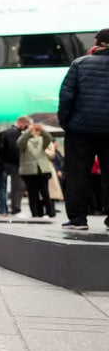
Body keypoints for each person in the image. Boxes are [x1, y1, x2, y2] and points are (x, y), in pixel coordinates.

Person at [58, 28, 109, 230]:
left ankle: (78, 219)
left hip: (80, 129)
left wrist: (66, 122)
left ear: (97, 43)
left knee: (77, 174)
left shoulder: (80, 64)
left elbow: (66, 97)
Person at [18, 123, 55, 218]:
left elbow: (49, 138)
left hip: (42, 170)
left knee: (45, 193)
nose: (33, 131)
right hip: (28, 171)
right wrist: (27, 132)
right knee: (32, 193)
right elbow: (19, 143)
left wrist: (42, 130)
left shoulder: (42, 140)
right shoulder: (24, 141)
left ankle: (50, 212)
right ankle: (35, 213)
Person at [0, 116, 30, 215]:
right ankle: (16, 207)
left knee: (3, 187)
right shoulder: (16, 133)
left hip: (4, 163)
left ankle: (4, 208)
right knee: (17, 187)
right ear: (21, 122)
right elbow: (15, 148)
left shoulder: (5, 132)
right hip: (15, 163)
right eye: (26, 125)